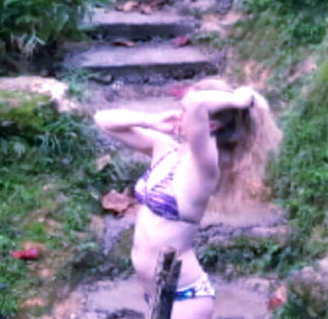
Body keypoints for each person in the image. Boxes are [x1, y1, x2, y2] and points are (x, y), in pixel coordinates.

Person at [95, 81, 281, 319]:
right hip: (154, 292)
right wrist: (150, 120)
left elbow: (196, 103)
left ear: (209, 125)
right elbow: (103, 120)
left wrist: (239, 100)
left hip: (185, 296)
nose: (181, 115)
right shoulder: (166, 149)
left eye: (185, 113)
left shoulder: (205, 168)